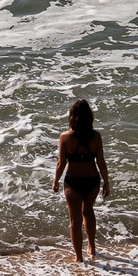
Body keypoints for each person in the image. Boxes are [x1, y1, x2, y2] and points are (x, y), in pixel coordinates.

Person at [52, 98, 109, 263]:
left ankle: (79, 257)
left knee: (74, 221)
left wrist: (56, 181)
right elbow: (101, 162)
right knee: (88, 211)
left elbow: (61, 163)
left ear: (72, 117)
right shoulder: (96, 136)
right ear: (89, 117)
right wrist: (106, 182)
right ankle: (92, 247)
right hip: (92, 181)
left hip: (73, 182)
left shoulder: (65, 137)